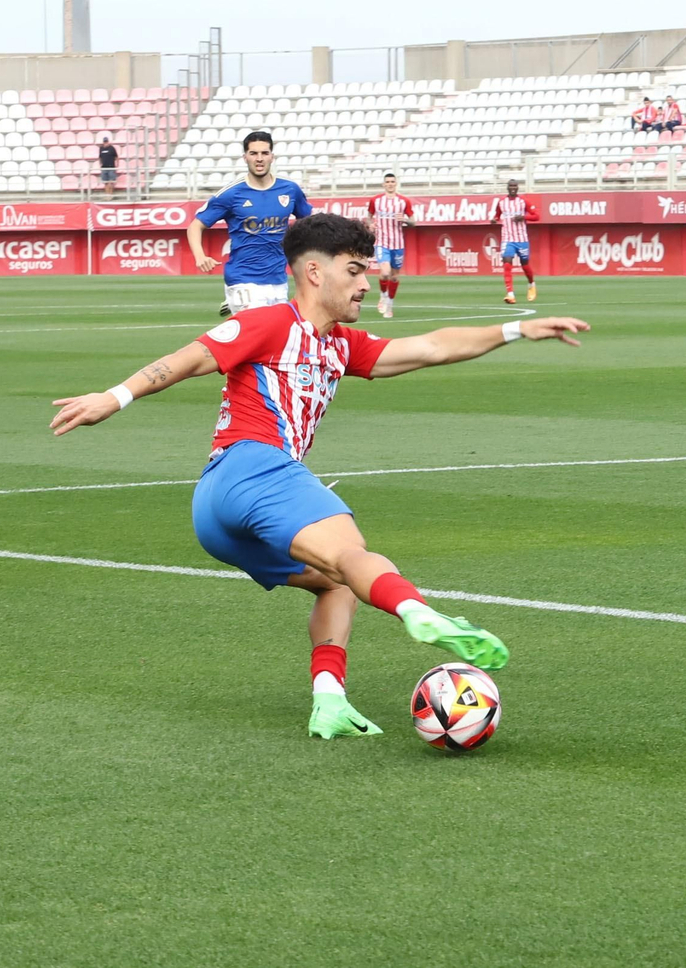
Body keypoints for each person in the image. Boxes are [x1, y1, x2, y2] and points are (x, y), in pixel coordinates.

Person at [49, 213, 589, 738]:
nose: (365, 282)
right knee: (354, 555)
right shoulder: (270, 322)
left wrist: (517, 328)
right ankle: (421, 612)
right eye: (354, 270)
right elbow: (191, 358)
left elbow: (429, 348)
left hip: (217, 508)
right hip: (255, 466)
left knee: (338, 582)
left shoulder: (340, 345)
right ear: (314, 273)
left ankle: (329, 701)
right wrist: (114, 397)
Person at [188, 131, 313, 318]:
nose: (259, 159)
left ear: (272, 156)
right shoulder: (232, 194)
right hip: (243, 278)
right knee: (259, 333)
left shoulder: (290, 189)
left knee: (277, 338)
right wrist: (200, 256)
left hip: (278, 279)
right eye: (253, 153)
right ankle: (235, 299)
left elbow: (309, 223)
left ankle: (233, 306)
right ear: (245, 157)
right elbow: (195, 226)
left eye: (264, 153)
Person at [364, 172, 413, 319]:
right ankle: (383, 296)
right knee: (385, 272)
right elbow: (368, 218)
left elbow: (414, 222)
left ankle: (390, 305)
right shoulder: (376, 200)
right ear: (383, 184)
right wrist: (370, 225)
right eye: (388, 182)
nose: (390, 184)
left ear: (396, 183)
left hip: (398, 243)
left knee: (394, 276)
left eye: (392, 181)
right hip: (382, 242)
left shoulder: (404, 201)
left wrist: (404, 219)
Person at [490, 178, 539, 304]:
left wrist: (523, 217)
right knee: (507, 263)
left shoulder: (523, 202)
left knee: (525, 265)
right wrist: (494, 219)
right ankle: (510, 294)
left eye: (515, 186)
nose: (513, 188)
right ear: (507, 187)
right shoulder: (502, 202)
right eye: (510, 186)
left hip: (521, 239)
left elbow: (536, 216)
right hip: (507, 238)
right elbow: (497, 214)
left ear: (517, 188)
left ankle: (531, 284)